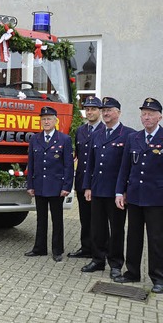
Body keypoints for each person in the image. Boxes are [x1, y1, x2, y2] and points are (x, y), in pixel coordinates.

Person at [80, 97, 134, 279]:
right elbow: (90, 165)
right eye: (103, 110)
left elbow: (128, 167)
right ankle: (98, 259)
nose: (105, 113)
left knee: (117, 229)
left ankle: (116, 263)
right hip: (97, 189)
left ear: (118, 112)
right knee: (97, 227)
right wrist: (87, 186)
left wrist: (124, 190)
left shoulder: (128, 135)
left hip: (116, 192)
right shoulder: (97, 134)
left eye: (109, 110)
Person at [114, 97, 163, 294]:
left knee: (156, 239)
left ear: (159, 116)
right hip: (134, 196)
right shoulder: (133, 138)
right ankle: (132, 272)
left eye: (150, 114)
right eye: (144, 114)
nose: (146, 117)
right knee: (133, 236)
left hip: (156, 198)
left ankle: (158, 277)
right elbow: (124, 168)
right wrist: (119, 191)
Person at [24, 106, 74, 262]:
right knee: (41, 219)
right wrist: (30, 185)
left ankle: (57, 250)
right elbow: (31, 164)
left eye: (49, 119)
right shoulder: (35, 139)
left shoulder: (64, 139)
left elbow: (68, 166)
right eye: (43, 119)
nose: (46, 122)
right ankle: (39, 248)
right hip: (39, 185)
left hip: (56, 187)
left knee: (57, 220)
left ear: (55, 121)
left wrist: (66, 187)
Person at [69, 96, 105, 259]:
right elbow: (79, 157)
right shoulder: (80, 131)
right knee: (84, 217)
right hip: (82, 181)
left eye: (93, 109)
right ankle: (86, 248)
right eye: (87, 109)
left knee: (98, 220)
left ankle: (100, 251)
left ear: (100, 111)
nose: (90, 112)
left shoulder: (105, 131)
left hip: (98, 183)